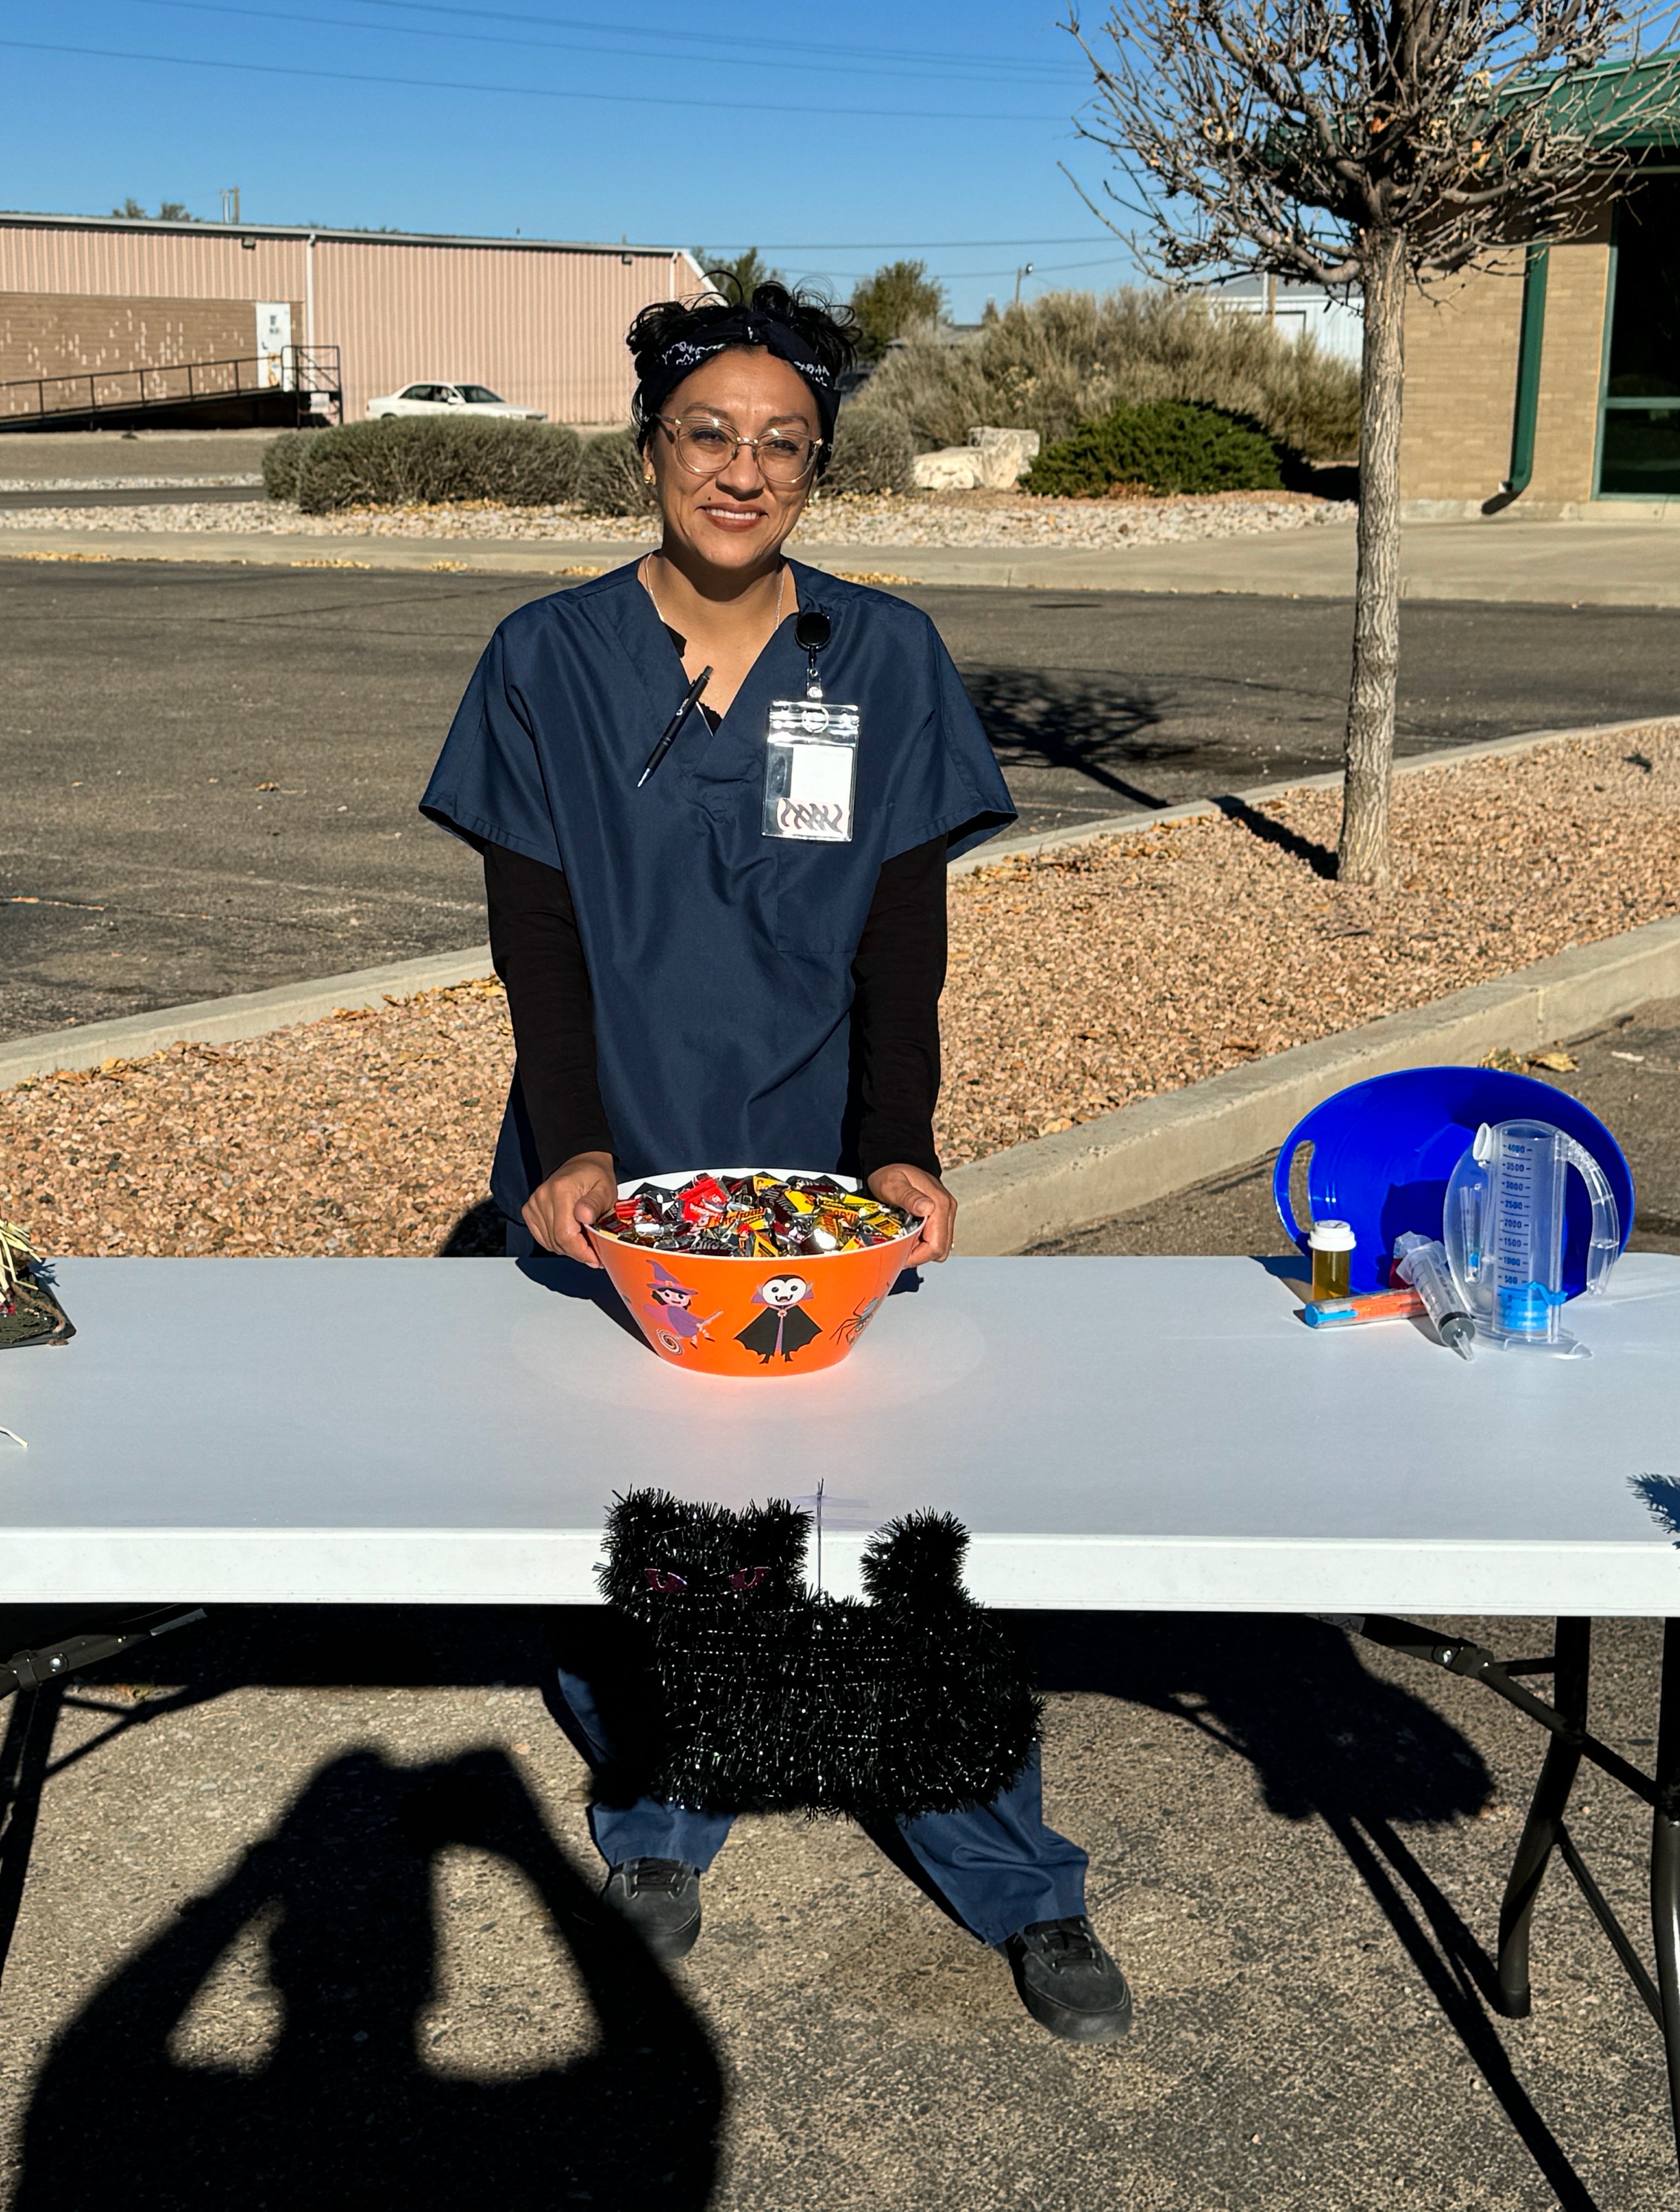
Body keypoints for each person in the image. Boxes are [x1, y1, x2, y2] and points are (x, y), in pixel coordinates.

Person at [419, 283, 1133, 2043]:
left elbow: (905, 930)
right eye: (707, 434)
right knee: (647, 1520)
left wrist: (901, 1146)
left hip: (812, 1177)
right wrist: (573, 1142)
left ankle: (1010, 1865)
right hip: (628, 1160)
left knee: (890, 1529)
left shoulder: (880, 658)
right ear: (650, 449)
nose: (741, 470)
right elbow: (539, 930)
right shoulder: (547, 659)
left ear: (818, 467)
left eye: (781, 443)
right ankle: (665, 1811)